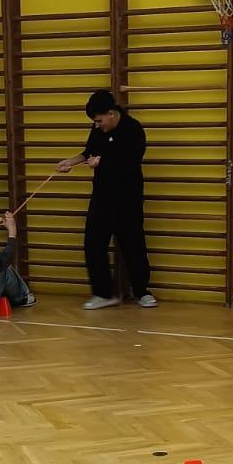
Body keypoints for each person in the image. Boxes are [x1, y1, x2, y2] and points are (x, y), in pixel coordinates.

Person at [56, 89, 156, 309]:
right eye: (94, 121)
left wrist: (102, 163)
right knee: (93, 244)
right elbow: (88, 152)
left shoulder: (133, 129)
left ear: (111, 113)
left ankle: (141, 291)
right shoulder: (97, 128)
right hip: (102, 196)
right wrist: (70, 162)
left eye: (99, 120)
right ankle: (103, 293)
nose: (97, 125)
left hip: (128, 197)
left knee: (133, 244)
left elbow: (131, 161)